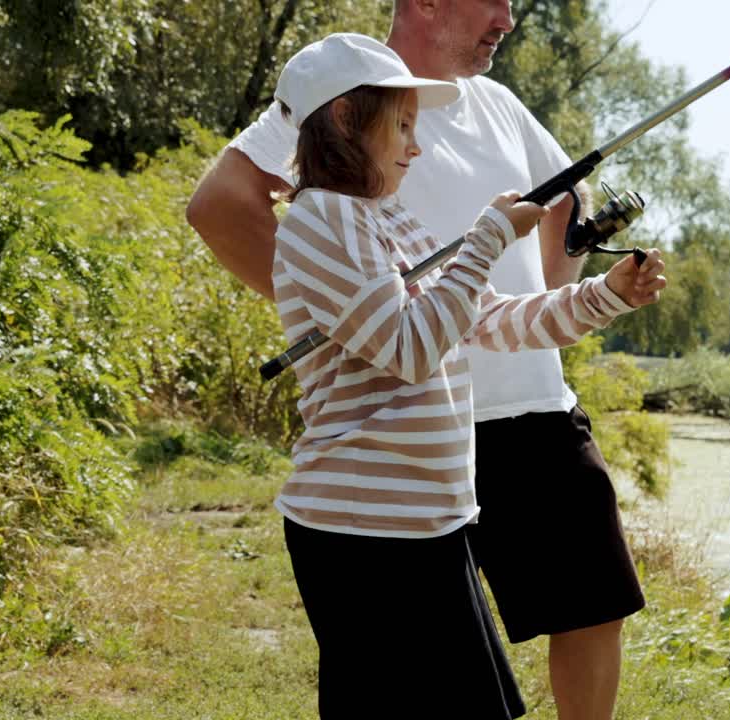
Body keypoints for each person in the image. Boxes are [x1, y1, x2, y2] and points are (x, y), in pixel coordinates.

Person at [187, 3, 654, 718]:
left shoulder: (390, 217)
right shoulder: (325, 213)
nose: (417, 146)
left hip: (424, 516)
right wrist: (483, 241)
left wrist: (605, 297)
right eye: (403, 128)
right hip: (363, 523)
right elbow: (407, 346)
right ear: (345, 121)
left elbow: (487, 315)